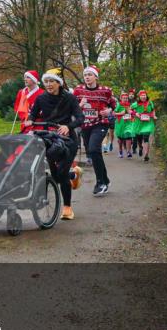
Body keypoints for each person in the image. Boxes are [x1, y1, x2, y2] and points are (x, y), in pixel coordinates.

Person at [23, 68, 84, 220]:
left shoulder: (69, 98)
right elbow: (33, 113)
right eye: (46, 82)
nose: (48, 85)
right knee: (56, 176)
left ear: (59, 83)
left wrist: (67, 126)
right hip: (49, 139)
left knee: (61, 174)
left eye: (52, 81)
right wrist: (30, 119)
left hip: (67, 140)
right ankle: (74, 174)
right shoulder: (41, 98)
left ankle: (68, 208)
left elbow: (80, 117)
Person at [73, 65, 117, 196]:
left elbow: (114, 105)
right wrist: (79, 105)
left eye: (90, 75)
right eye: (85, 75)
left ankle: (100, 183)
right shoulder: (78, 91)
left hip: (100, 123)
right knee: (93, 153)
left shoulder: (105, 91)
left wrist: (109, 111)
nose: (87, 77)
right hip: (85, 126)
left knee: (93, 149)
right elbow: (71, 107)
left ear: (96, 77)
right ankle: (106, 180)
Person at [132, 90, 157, 162]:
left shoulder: (150, 103)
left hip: (148, 122)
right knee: (139, 138)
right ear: (139, 97)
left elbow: (153, 110)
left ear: (146, 96)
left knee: (146, 137)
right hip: (139, 123)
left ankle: (146, 155)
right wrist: (135, 113)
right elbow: (130, 110)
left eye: (144, 95)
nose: (143, 96)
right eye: (142, 95)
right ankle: (140, 147)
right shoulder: (135, 104)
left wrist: (154, 115)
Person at [115, 92, 136, 158]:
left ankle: (128, 152)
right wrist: (121, 113)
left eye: (126, 98)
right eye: (124, 98)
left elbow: (134, 113)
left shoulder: (130, 105)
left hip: (128, 123)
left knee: (128, 136)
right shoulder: (118, 105)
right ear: (121, 98)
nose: (125, 99)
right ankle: (120, 151)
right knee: (120, 139)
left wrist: (131, 112)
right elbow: (114, 113)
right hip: (120, 123)